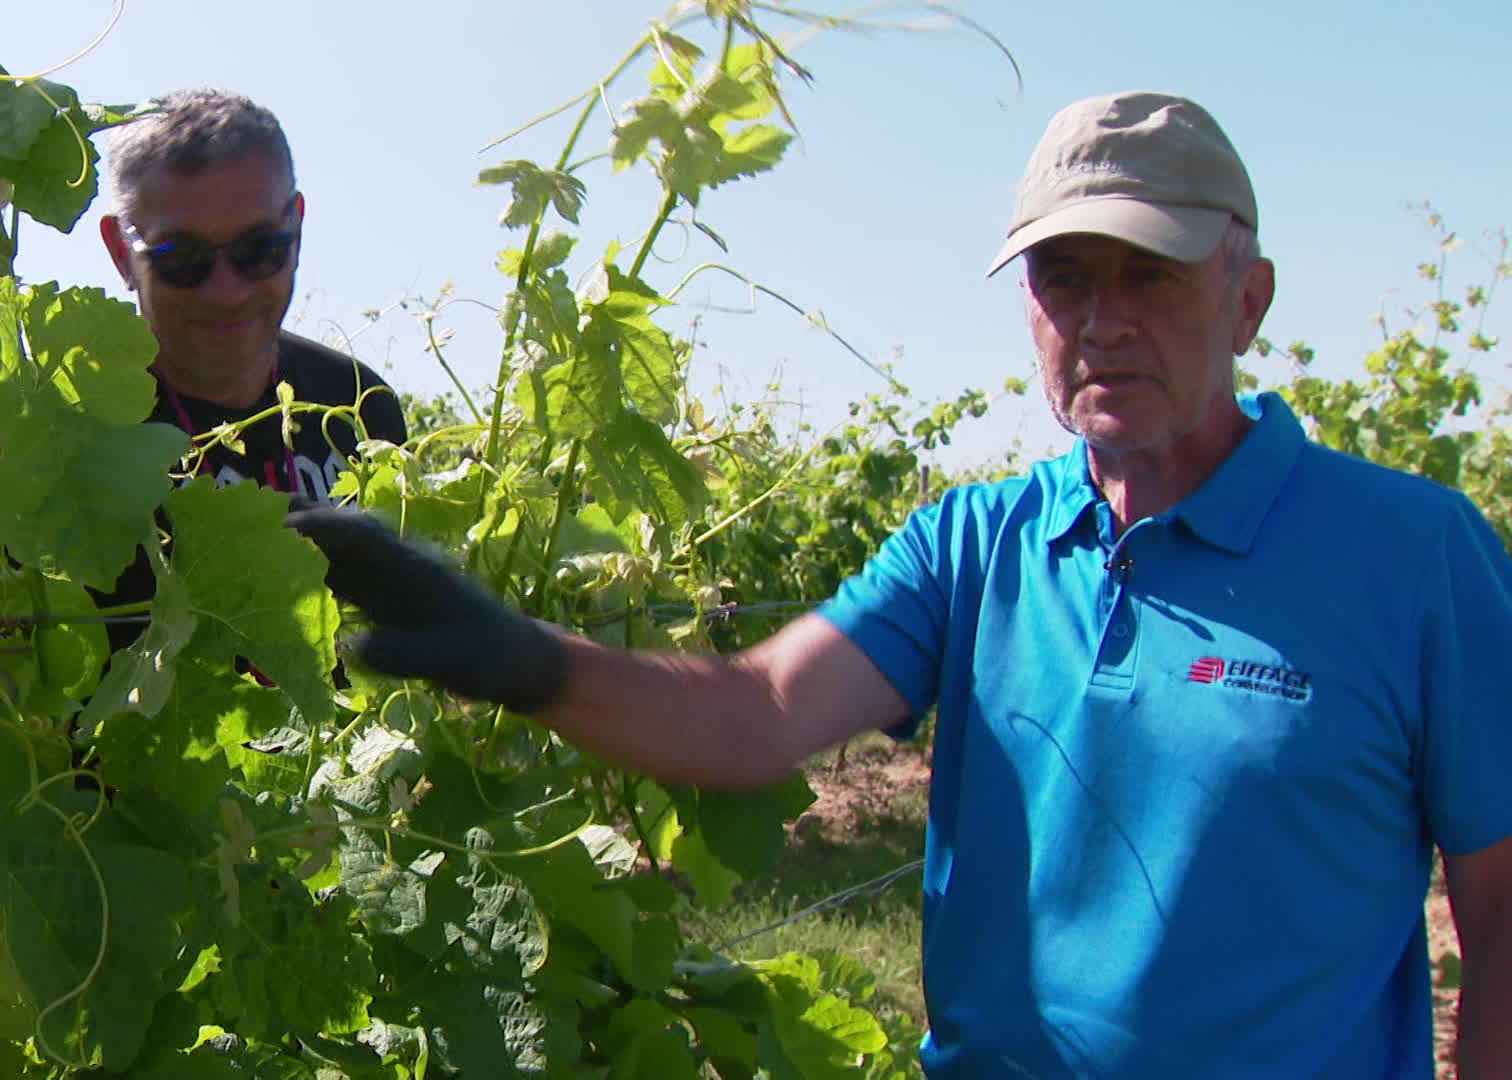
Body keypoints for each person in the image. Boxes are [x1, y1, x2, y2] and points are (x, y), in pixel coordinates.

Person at [287, 91, 1512, 1077]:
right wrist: (523, 657)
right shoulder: (974, 545)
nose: (1103, 320)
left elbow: (1501, 908)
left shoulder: (1414, 555)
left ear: (1249, 300)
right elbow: (754, 714)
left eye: (1151, 274)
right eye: (1064, 279)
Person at [91, 89, 408, 650]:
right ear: (121, 251)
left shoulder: (359, 405)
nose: (227, 292)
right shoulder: (63, 427)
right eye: (182, 259)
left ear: (298, 227)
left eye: (259, 249)